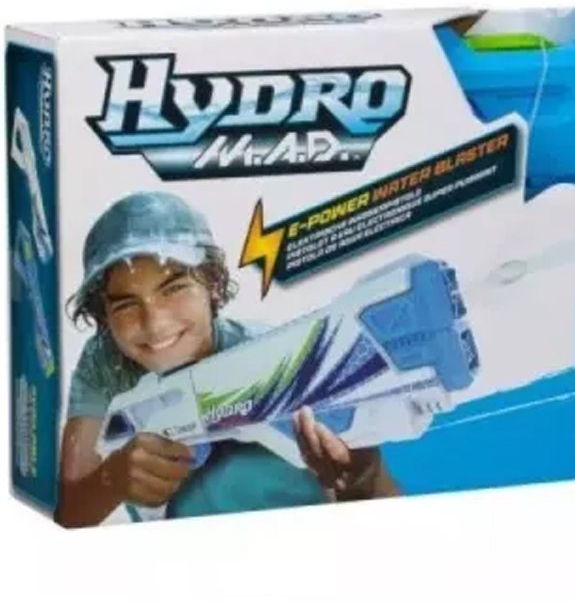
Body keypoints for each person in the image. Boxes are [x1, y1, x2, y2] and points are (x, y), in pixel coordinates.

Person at [56, 192, 398, 527]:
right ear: (104, 316)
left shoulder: (278, 362)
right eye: (126, 304)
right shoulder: (107, 360)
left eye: (174, 288)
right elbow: (69, 514)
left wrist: (359, 479)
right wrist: (111, 480)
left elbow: (387, 502)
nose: (155, 324)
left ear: (213, 285)